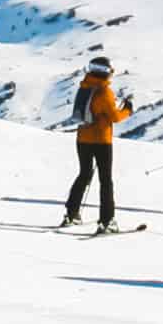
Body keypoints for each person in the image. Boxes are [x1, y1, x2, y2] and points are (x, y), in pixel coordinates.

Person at [63, 55, 133, 232]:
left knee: (84, 175)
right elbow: (114, 117)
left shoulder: (84, 87)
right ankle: (107, 221)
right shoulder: (104, 91)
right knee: (105, 180)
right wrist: (127, 110)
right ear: (106, 72)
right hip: (101, 140)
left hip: (82, 139)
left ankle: (71, 214)